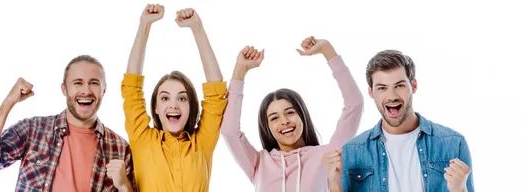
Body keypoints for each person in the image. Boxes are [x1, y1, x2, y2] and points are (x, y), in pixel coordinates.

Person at [0, 55, 135, 192]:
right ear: (64, 89)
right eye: (78, 83)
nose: (86, 90)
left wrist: (124, 186)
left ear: (103, 90)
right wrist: (8, 103)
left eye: (94, 83)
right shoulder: (33, 130)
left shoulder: (120, 149)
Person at [220, 36, 364, 192]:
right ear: (267, 127)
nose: (284, 121)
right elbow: (229, 132)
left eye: (290, 112)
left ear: (302, 116)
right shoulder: (259, 163)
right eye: (274, 118)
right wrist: (240, 71)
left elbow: (354, 104)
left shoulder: (326, 155)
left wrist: (327, 50)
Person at [120, 4, 227, 192]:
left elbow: (216, 93)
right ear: (155, 107)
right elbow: (131, 88)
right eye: (165, 98)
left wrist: (197, 28)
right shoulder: (143, 139)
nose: (174, 105)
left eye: (182, 99)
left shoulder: (202, 143)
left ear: (190, 107)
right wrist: (144, 25)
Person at [338, 50, 474, 192]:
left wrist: (460, 190)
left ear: (413, 86)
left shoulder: (454, 144)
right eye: (382, 88)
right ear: (371, 92)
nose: (392, 96)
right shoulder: (352, 151)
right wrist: (333, 180)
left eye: (399, 86)